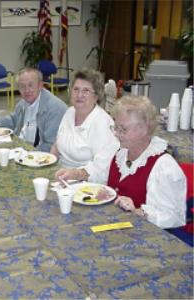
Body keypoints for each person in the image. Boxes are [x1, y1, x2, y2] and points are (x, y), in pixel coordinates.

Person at [99, 96, 185, 228]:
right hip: (117, 227)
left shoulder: (163, 166)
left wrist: (138, 211)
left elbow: (174, 217)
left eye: (123, 129)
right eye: (115, 128)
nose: (116, 134)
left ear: (145, 129)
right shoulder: (120, 153)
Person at [52, 68, 119, 181]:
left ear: (96, 96)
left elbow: (103, 167)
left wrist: (75, 174)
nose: (79, 95)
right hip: (62, 176)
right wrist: (48, 163)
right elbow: (57, 146)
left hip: (87, 184)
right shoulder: (70, 112)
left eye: (86, 91)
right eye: (76, 89)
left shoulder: (102, 123)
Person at [0, 67, 67, 152]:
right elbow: (13, 121)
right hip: (20, 147)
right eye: (22, 86)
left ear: (40, 85)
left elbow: (50, 145)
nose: (26, 90)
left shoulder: (54, 108)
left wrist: (27, 154)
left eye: (30, 85)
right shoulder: (23, 103)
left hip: (38, 153)